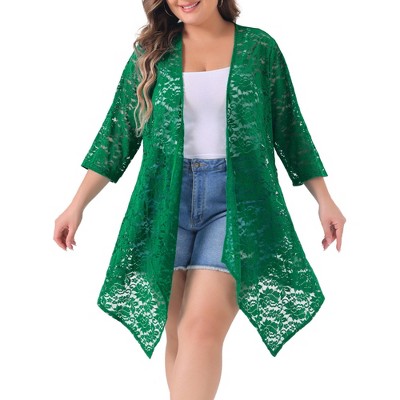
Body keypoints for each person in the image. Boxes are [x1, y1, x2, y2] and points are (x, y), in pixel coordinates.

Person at [54, 0, 346, 399]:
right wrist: (76, 205)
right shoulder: (152, 53)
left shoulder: (259, 49)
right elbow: (116, 137)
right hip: (164, 204)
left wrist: (324, 199)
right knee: (177, 333)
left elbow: (289, 127)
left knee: (200, 329)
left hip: (236, 203)